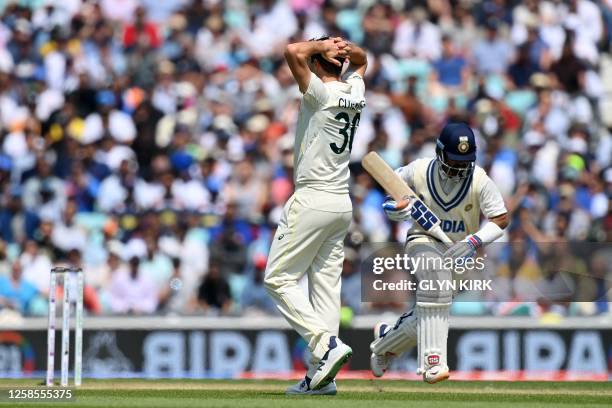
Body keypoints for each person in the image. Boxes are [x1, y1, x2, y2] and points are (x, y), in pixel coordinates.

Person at [264, 36, 367, 395]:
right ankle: (322, 378)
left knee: (277, 279)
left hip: (312, 198)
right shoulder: (356, 89)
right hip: (341, 203)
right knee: (324, 288)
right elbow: (363, 60)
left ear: (319, 65)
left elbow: (292, 51)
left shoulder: (320, 95)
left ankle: (325, 346)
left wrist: (321, 44)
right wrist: (343, 48)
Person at [369, 122, 509, 383]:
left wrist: (473, 242)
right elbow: (391, 192)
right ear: (440, 152)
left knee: (430, 310)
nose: (458, 168)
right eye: (453, 161)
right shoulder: (419, 170)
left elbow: (500, 219)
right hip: (423, 239)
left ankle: (385, 343)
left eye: (463, 161)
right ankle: (433, 362)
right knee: (436, 284)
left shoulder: (479, 179)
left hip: (461, 251)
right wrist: (394, 209)